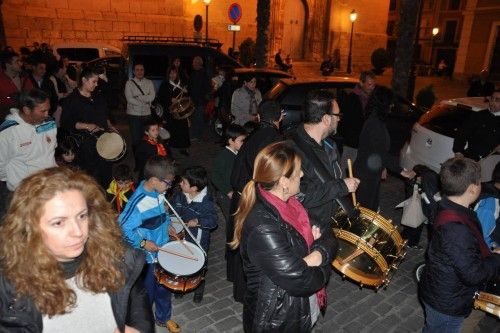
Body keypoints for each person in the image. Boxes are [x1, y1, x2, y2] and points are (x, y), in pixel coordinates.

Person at [0, 167, 154, 332]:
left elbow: (136, 295)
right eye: (59, 222)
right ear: (29, 228)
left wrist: (140, 328)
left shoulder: (113, 254)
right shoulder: (10, 285)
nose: (79, 232)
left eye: (82, 216)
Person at [230, 141, 336, 332]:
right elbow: (302, 281)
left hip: (299, 307)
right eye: (298, 172)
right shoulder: (262, 226)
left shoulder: (293, 202)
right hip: (278, 317)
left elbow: (329, 232)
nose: (302, 174)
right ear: (284, 182)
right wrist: (323, 260)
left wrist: (315, 256)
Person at [419, 157, 500, 333]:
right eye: (479, 181)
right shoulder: (456, 228)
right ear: (472, 188)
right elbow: (473, 274)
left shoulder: (448, 206)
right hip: (447, 302)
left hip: (440, 288)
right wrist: (496, 261)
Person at [228, 101, 283, 301]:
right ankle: (249, 294)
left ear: (259, 117)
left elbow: (236, 173)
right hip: (257, 201)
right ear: (280, 118)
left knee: (242, 243)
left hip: (242, 196)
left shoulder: (251, 138)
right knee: (254, 248)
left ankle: (239, 289)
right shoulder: (277, 141)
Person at [118, 156, 180, 332]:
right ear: (154, 180)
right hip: (147, 257)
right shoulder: (138, 202)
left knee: (164, 287)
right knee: (148, 293)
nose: (170, 187)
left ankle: (163, 317)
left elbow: (163, 214)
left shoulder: (159, 193)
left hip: (163, 247)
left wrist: (167, 226)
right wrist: (143, 242)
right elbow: (122, 227)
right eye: (168, 183)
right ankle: (146, 324)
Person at [290, 89, 360, 232]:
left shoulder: (330, 145)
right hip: (309, 229)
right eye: (337, 115)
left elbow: (332, 180)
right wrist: (342, 186)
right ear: (326, 119)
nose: (339, 119)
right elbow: (299, 196)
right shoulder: (292, 151)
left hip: (330, 224)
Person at [353, 86, 415, 211]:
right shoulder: (375, 124)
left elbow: (376, 151)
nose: (392, 106)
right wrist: (401, 171)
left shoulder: (375, 120)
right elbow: (381, 154)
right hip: (366, 177)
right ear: (383, 103)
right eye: (390, 103)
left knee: (370, 210)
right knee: (366, 213)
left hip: (369, 173)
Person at [0, 89, 56, 219]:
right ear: (26, 110)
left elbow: (50, 152)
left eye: (48, 109)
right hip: (23, 195)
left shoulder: (49, 123)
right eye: (43, 111)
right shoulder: (9, 132)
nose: (47, 114)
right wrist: (15, 180)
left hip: (48, 188)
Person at [60, 66, 118, 188]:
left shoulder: (97, 96)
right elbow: (65, 122)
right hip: (87, 146)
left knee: (106, 175)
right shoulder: (72, 100)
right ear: (84, 80)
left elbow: (104, 114)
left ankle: (105, 199)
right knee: (92, 178)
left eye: (97, 81)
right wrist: (86, 126)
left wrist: (110, 125)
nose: (96, 85)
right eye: (94, 81)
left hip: (104, 141)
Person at [171, 166, 218, 303]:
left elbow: (213, 221)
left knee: (199, 265)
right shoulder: (180, 196)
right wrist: (170, 216)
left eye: (184, 182)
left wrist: (198, 221)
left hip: (198, 240)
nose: (180, 183)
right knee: (181, 262)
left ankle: (198, 288)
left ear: (194, 188)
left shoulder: (206, 203)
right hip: (181, 237)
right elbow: (174, 210)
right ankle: (181, 286)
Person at [338, 70, 376, 171]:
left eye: (373, 85)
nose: (372, 87)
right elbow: (345, 122)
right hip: (352, 143)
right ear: (361, 83)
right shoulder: (351, 99)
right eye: (369, 84)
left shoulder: (372, 100)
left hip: (365, 143)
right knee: (346, 170)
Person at [210, 124, 247, 222]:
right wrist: (227, 191)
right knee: (232, 219)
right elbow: (214, 175)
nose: (244, 143)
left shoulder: (238, 153)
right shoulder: (223, 157)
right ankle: (232, 236)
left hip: (235, 192)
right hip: (225, 194)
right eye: (241, 140)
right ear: (231, 141)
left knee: (239, 216)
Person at [453, 89, 500, 161]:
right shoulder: (478, 115)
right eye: (492, 98)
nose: (492, 102)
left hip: (492, 162)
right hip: (471, 159)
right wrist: (458, 152)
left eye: (497, 100)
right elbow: (462, 133)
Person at [157, 66, 190, 156]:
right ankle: (167, 149)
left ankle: (183, 148)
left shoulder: (181, 84)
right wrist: (170, 99)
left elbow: (187, 97)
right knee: (170, 130)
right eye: (171, 73)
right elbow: (160, 98)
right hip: (170, 112)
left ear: (177, 74)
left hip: (180, 111)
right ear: (168, 74)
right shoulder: (165, 84)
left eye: (174, 73)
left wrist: (186, 91)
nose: (173, 75)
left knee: (183, 130)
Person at [125, 62, 156, 149]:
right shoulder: (129, 83)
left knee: (147, 137)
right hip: (133, 115)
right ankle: (137, 157)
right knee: (136, 139)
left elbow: (152, 96)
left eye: (141, 70)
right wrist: (145, 100)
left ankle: (146, 155)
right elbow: (129, 99)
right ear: (134, 72)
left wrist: (138, 97)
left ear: (144, 71)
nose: (140, 72)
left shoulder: (149, 82)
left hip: (147, 114)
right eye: (137, 70)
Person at [0, 51, 33, 120]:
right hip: (6, 120)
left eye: (20, 61)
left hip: (25, 118)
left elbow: (31, 96)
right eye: (17, 61)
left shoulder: (25, 78)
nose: (21, 64)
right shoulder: (1, 81)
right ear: (8, 64)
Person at [188, 56, 211, 141]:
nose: (192, 64)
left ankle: (197, 135)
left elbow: (206, 88)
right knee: (195, 118)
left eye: (193, 62)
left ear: (197, 64)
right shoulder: (195, 73)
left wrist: (201, 99)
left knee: (198, 118)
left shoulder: (203, 74)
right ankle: (195, 134)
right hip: (195, 100)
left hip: (200, 101)